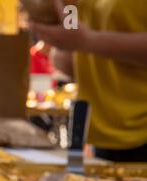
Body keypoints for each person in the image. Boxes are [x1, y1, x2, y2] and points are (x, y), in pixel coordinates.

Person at [30, 0, 147, 162]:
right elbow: (69, 58)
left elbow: (84, 42)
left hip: (140, 130)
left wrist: (87, 41)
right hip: (100, 131)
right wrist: (61, 40)